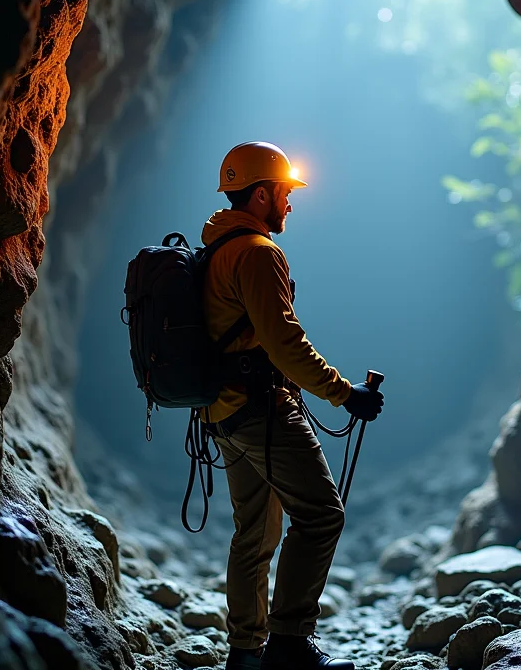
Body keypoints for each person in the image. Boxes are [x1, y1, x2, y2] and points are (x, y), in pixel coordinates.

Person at [200, 141, 384, 670]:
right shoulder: (258, 252)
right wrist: (345, 393)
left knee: (254, 532)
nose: (289, 203)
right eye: (284, 192)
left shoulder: (216, 247)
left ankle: (245, 655)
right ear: (260, 194)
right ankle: (289, 646)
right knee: (322, 515)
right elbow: (285, 343)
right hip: (262, 410)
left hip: (223, 412)